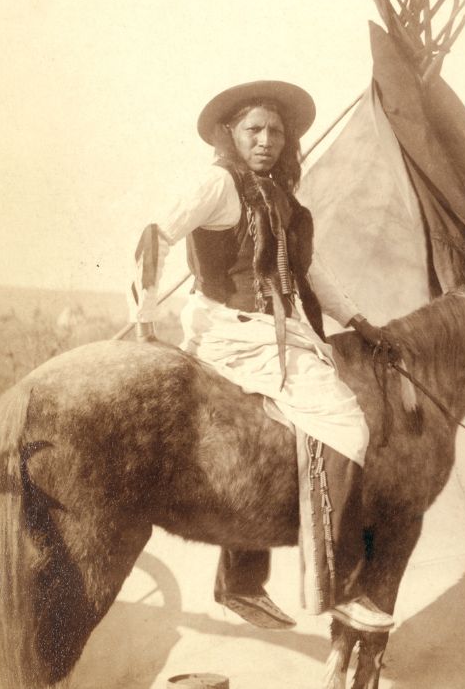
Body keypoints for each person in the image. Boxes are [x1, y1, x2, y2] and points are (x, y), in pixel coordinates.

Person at [129, 80, 394, 633]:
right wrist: (144, 319)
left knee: (272, 441)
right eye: (254, 129)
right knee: (349, 426)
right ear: (231, 133)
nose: (267, 140)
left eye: (276, 131)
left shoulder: (278, 195)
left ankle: (242, 583)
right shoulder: (218, 183)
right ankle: (342, 587)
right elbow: (156, 234)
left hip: (279, 331)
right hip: (235, 331)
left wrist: (358, 320)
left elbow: (309, 271)